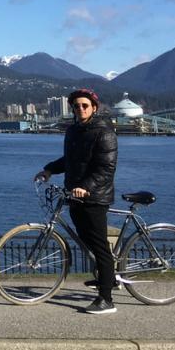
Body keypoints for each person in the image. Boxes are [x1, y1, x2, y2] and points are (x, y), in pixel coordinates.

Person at [35, 88, 118, 315]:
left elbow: (105, 169)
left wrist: (86, 187)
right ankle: (107, 277)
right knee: (87, 242)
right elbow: (70, 161)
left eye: (84, 105)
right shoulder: (73, 131)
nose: (80, 109)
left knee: (100, 248)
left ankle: (107, 299)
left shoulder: (104, 133)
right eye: (76, 106)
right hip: (74, 195)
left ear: (94, 108)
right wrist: (49, 169)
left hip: (94, 197)